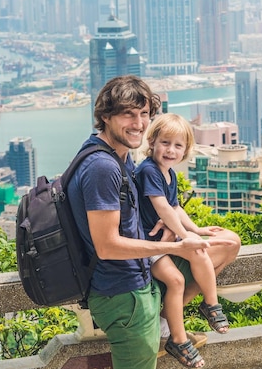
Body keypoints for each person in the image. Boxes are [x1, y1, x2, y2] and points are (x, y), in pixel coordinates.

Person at [67, 75, 239, 369]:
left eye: (144, 114)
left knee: (227, 245)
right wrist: (175, 246)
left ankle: (168, 324)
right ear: (105, 116)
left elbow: (154, 207)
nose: (138, 123)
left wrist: (177, 230)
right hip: (123, 294)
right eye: (128, 114)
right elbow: (107, 246)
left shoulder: (120, 157)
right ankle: (167, 326)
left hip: (140, 279)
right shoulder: (102, 168)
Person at [135, 113, 233, 368]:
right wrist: (186, 236)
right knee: (176, 280)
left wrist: (196, 229)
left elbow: (176, 208)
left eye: (178, 145)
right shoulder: (148, 170)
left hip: (165, 242)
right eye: (165, 143)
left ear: (186, 150)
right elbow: (163, 209)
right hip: (149, 246)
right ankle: (178, 338)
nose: (170, 150)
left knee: (202, 253)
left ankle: (210, 304)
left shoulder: (169, 174)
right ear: (153, 141)